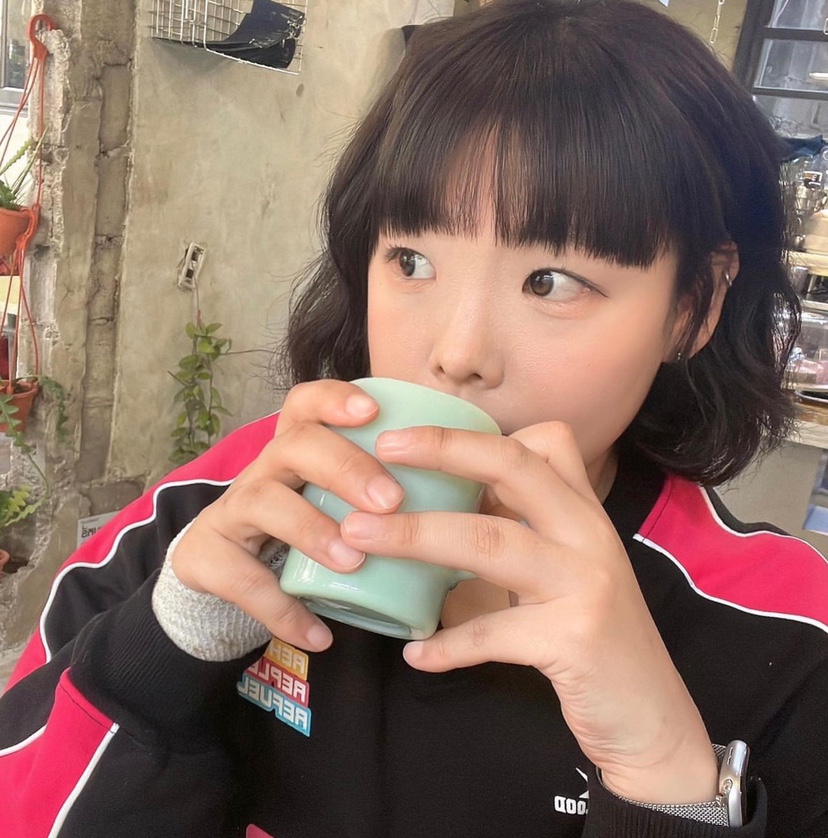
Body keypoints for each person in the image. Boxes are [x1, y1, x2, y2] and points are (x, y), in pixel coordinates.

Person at [1, 1, 827, 835]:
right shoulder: (217, 513)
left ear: (693, 306)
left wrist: (669, 780)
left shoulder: (789, 637)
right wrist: (163, 649)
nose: (457, 353)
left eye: (551, 282)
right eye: (412, 260)